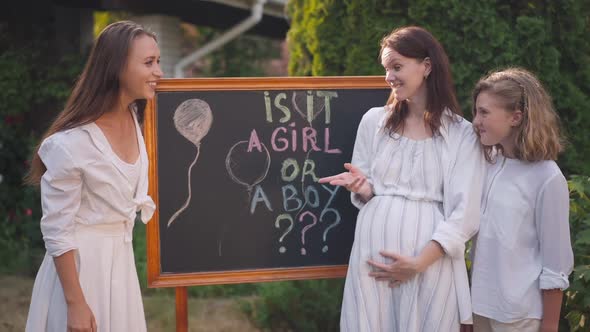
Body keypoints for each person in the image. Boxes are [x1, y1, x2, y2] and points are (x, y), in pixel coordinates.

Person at [319, 26, 485, 331]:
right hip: (372, 264)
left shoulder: (460, 134)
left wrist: (418, 263)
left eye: (397, 67)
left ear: (426, 66)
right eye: (386, 69)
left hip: (429, 266)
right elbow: (367, 191)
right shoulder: (374, 122)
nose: (388, 77)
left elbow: (466, 214)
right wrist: (362, 188)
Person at [24, 20, 161, 332]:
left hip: (120, 271)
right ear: (117, 68)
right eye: (149, 62)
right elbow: (58, 230)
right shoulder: (71, 145)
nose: (159, 72)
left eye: (159, 61)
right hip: (81, 276)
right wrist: (75, 303)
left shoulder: (135, 119)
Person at [469, 68, 574, 332]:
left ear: (515, 117)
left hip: (519, 317)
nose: (475, 121)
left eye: (484, 112)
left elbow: (556, 264)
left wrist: (549, 326)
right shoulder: (487, 165)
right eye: (476, 112)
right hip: (478, 309)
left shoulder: (547, 177)